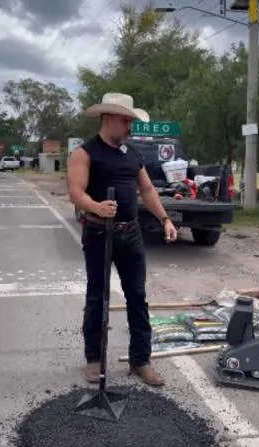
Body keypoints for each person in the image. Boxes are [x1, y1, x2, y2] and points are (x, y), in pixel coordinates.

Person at [67, 92, 178, 387]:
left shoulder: (133, 155)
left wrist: (164, 219)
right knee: (97, 297)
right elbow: (76, 192)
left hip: (131, 234)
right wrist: (96, 207)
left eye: (131, 120)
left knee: (137, 297)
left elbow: (148, 190)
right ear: (108, 119)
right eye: (126, 120)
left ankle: (140, 360)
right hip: (99, 233)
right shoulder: (85, 153)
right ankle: (94, 358)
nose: (131, 126)